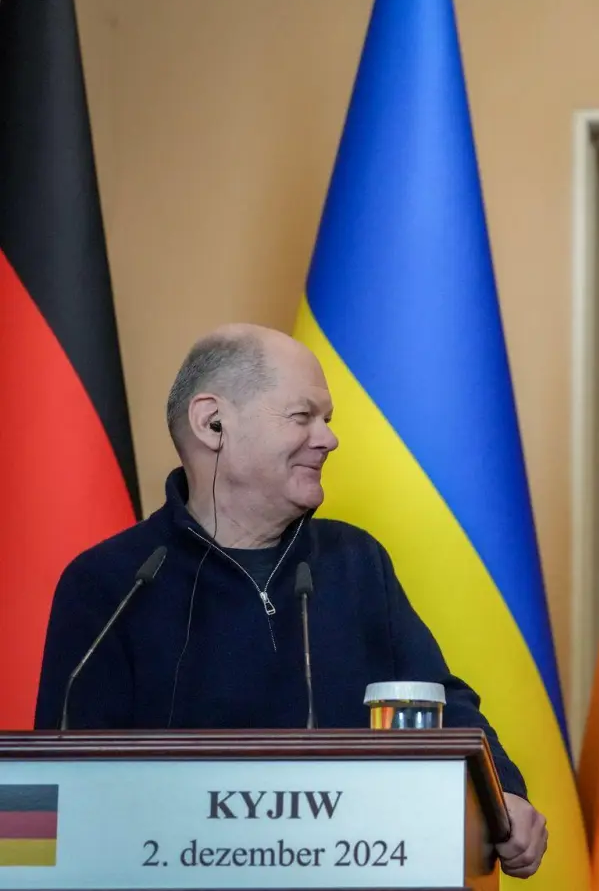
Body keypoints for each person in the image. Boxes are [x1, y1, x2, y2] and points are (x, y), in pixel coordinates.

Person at [33, 324, 548, 878]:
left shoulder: (355, 562)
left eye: (326, 421)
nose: (328, 439)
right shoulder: (112, 583)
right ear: (213, 423)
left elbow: (439, 702)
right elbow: (59, 794)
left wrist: (505, 798)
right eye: (303, 417)